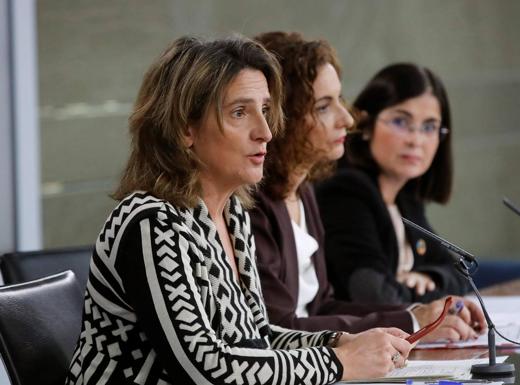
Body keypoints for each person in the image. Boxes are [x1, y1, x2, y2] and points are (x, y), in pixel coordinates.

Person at [65, 36, 416, 385]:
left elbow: (256, 337)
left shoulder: (231, 214)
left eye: (264, 110)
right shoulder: (152, 221)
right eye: (239, 112)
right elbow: (205, 369)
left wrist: (339, 341)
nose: (265, 132)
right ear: (186, 128)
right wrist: (337, 362)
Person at [250, 31, 484, 342]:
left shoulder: (304, 192)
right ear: (282, 116)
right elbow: (279, 327)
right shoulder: (259, 203)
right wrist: (414, 320)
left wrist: (417, 310)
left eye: (429, 127)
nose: (347, 119)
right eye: (323, 106)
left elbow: (321, 305)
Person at [317, 63, 466, 306]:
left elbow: (461, 273)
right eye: (400, 121)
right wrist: (430, 302)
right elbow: (374, 295)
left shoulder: (405, 197)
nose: (416, 140)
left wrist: (429, 277)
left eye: (429, 127)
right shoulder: (345, 191)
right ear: (365, 126)